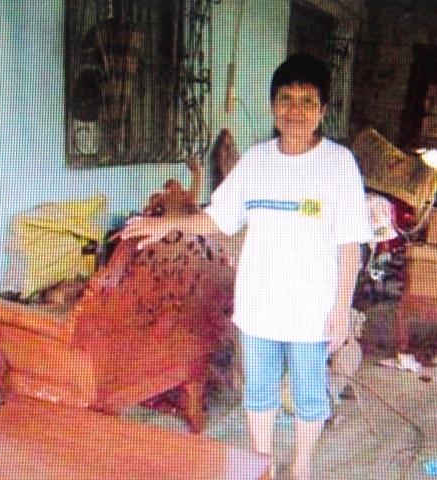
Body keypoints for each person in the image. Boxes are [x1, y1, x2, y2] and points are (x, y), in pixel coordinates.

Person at [116, 53, 372, 480]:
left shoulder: (338, 164)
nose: (295, 111)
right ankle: (262, 464)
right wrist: (167, 223)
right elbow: (219, 219)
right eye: (286, 99)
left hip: (312, 308)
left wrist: (341, 308)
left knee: (309, 393)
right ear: (273, 106)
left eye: (308, 101)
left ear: (323, 110)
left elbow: (350, 246)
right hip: (258, 304)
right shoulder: (256, 161)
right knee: (259, 391)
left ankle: (301, 464)